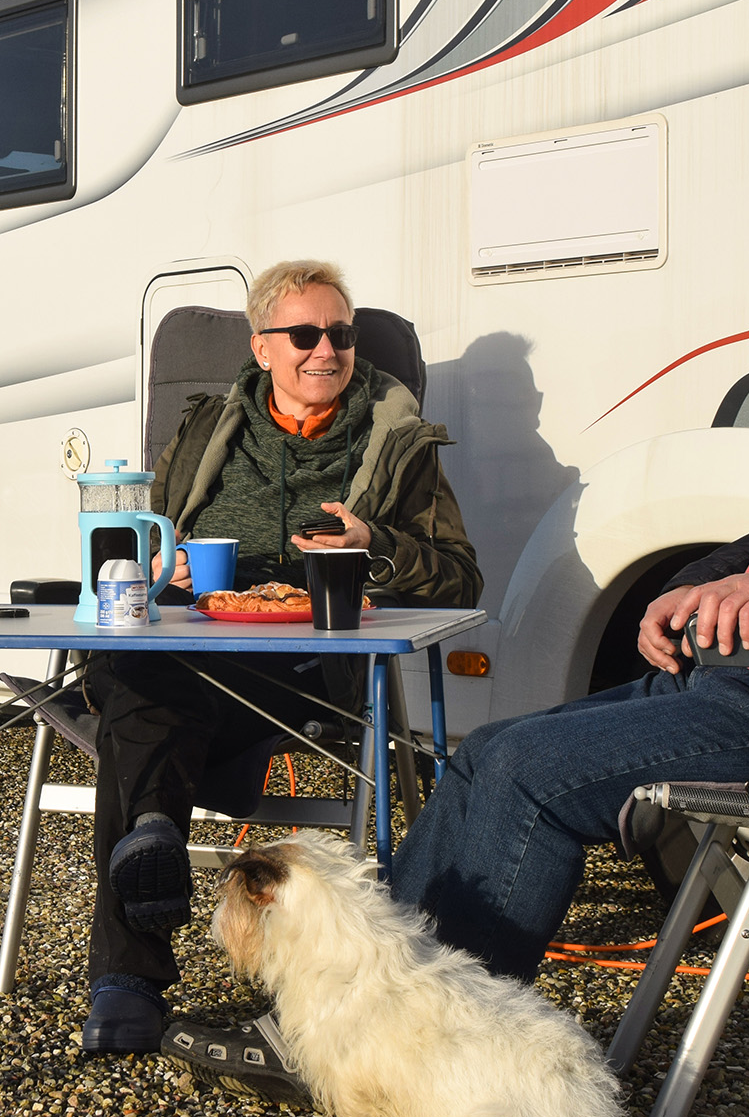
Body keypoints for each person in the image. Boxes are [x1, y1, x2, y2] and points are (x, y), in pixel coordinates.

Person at [173, 152, 749, 1097]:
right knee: (483, 752)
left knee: (524, 775)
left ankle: (408, 1051)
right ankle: (344, 1031)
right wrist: (708, 580)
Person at [80, 259, 482, 1054]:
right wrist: (168, 571)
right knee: (138, 664)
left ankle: (129, 968)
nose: (325, 350)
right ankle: (152, 839)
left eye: (339, 333)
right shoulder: (207, 429)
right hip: (195, 637)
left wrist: (376, 544)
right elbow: (139, 549)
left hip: (306, 661)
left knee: (140, 707)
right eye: (304, 334)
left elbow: (461, 575)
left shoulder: (395, 438)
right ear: (261, 347)